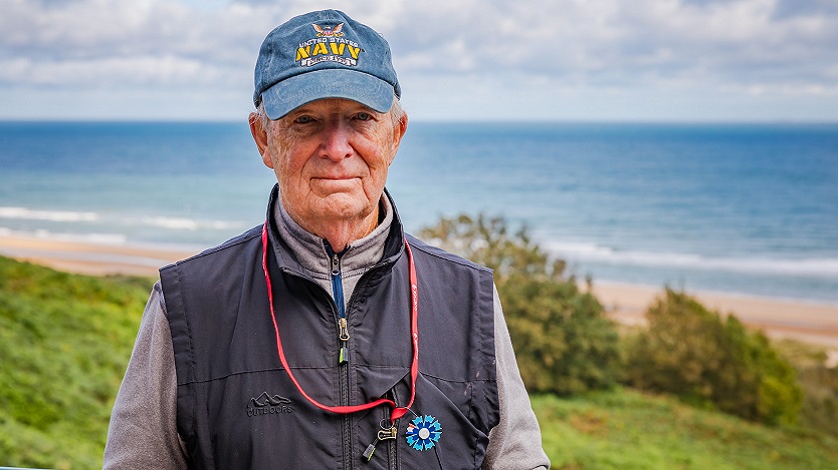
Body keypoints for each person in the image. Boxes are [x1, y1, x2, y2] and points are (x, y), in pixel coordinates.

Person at [104, 9, 549, 469]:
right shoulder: (189, 304)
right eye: (305, 121)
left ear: (395, 135)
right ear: (262, 139)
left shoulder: (466, 297)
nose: (336, 148)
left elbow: (517, 459)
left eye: (360, 118)